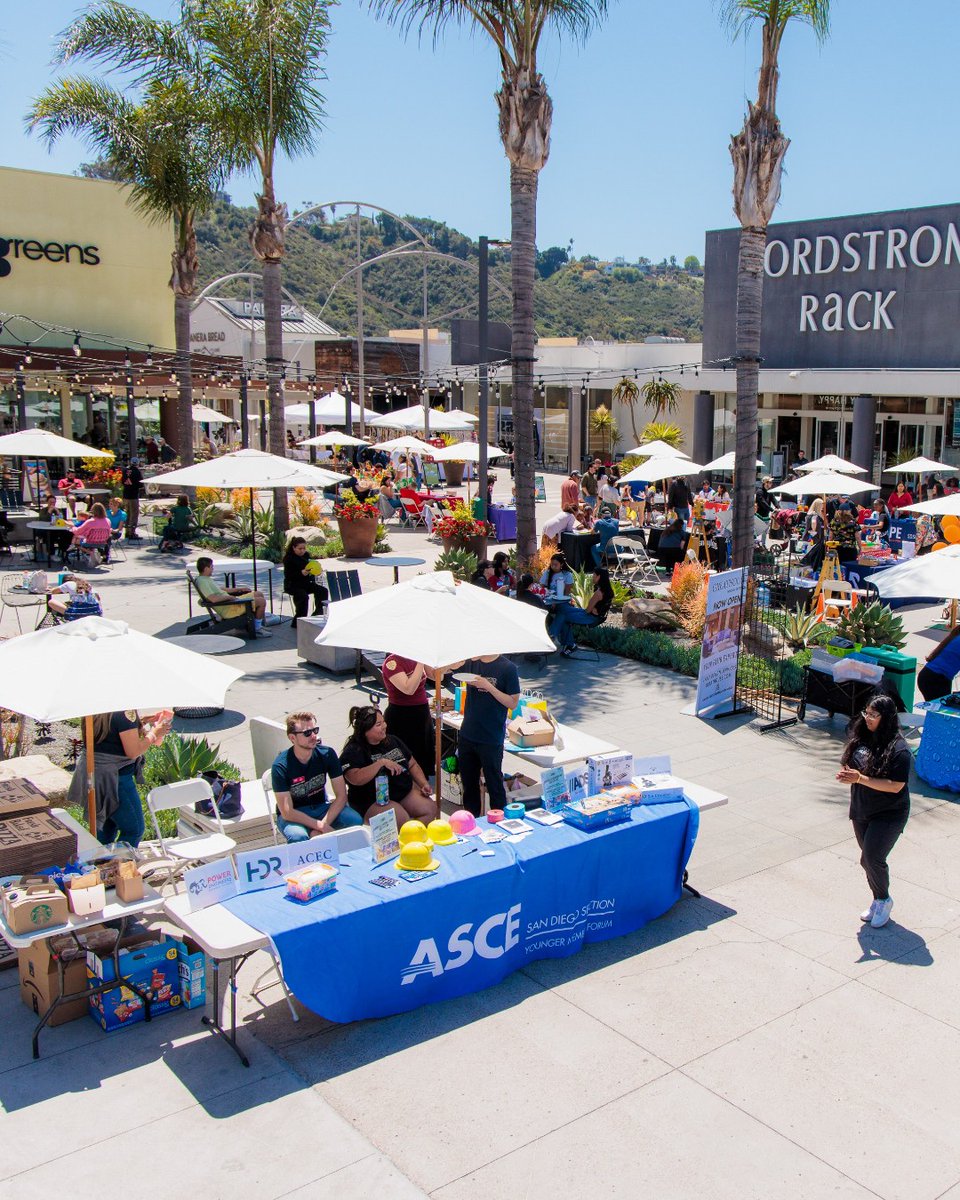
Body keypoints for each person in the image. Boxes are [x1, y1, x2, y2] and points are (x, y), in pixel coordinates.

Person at [836, 694, 911, 928]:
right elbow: (850, 761)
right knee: (867, 859)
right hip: (862, 808)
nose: (868, 718)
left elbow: (895, 785)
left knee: (872, 857)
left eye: (874, 715)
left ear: (886, 718)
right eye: (866, 713)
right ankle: (878, 899)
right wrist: (847, 773)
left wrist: (860, 778)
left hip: (889, 813)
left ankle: (883, 900)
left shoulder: (899, 749)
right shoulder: (862, 736)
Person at [83, 709, 173, 846]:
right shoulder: (125, 714)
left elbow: (113, 730)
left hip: (98, 775)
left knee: (105, 829)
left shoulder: (98, 710)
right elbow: (133, 751)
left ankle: (100, 863)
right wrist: (154, 733)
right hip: (118, 780)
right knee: (134, 830)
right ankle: (122, 865)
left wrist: (142, 721)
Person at [271, 711, 362, 842]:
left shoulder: (327, 754)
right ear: (292, 738)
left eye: (315, 730)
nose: (313, 736)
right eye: (307, 733)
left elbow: (342, 796)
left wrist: (321, 827)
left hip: (321, 807)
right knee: (299, 837)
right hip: (295, 815)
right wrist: (320, 826)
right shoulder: (281, 766)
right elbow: (287, 812)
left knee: (355, 820)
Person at [339, 706, 435, 826]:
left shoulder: (392, 740)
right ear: (365, 730)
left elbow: (412, 764)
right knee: (400, 818)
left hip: (402, 791)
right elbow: (355, 778)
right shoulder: (353, 750)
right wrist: (381, 763)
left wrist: (423, 783)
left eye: (383, 721)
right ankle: (403, 841)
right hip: (373, 800)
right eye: (378, 724)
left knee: (429, 809)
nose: (384, 726)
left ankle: (415, 839)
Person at [452, 653, 521, 817]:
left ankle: (500, 822)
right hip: (468, 734)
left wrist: (488, 686)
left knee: (494, 785)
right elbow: (449, 669)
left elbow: (513, 702)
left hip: (491, 737)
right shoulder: (470, 662)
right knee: (469, 785)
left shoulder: (507, 668)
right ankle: (470, 822)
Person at [382, 654, 433, 776]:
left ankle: (423, 783)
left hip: (421, 712)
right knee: (405, 755)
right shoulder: (392, 663)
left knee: (422, 753)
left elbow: (436, 677)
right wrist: (421, 660)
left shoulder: (415, 657)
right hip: (402, 715)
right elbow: (409, 689)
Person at [194, 556, 270, 636]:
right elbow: (214, 599)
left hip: (230, 603)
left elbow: (221, 590)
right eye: (211, 567)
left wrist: (238, 589)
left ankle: (258, 625)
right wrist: (230, 597)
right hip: (229, 608)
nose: (213, 569)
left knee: (258, 594)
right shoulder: (203, 582)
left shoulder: (206, 579)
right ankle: (257, 629)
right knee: (261, 601)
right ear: (206, 569)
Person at [550, 567, 614, 655]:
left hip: (590, 618)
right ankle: (556, 637)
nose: (592, 577)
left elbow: (587, 610)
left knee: (563, 616)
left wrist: (593, 609)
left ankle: (559, 640)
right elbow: (595, 608)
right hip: (596, 616)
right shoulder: (609, 591)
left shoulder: (598, 593)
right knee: (563, 608)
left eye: (594, 575)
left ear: (599, 577)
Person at [282, 537, 328, 627]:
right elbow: (288, 576)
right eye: (300, 549)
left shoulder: (306, 555)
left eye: (304, 548)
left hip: (305, 583)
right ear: (294, 548)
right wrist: (301, 573)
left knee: (322, 590)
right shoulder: (288, 558)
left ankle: (317, 615)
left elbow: (311, 567)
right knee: (303, 596)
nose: (302, 551)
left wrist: (315, 570)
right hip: (292, 585)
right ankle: (299, 621)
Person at [917, 626, 960, 701]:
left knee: (937, 709)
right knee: (941, 710)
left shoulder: (957, 636)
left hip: (930, 676)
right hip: (936, 679)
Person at [70, 502, 113, 567]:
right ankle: (94, 554)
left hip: (89, 542)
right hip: (103, 543)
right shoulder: (108, 520)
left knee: (76, 542)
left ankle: (90, 553)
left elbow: (78, 531)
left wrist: (72, 526)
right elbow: (109, 532)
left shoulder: (90, 521)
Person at [121, 457, 143, 540]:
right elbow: (140, 484)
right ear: (137, 463)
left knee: (127, 514)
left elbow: (122, 481)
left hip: (125, 495)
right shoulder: (137, 472)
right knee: (134, 515)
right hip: (133, 496)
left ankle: (127, 531)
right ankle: (132, 533)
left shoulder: (125, 471)